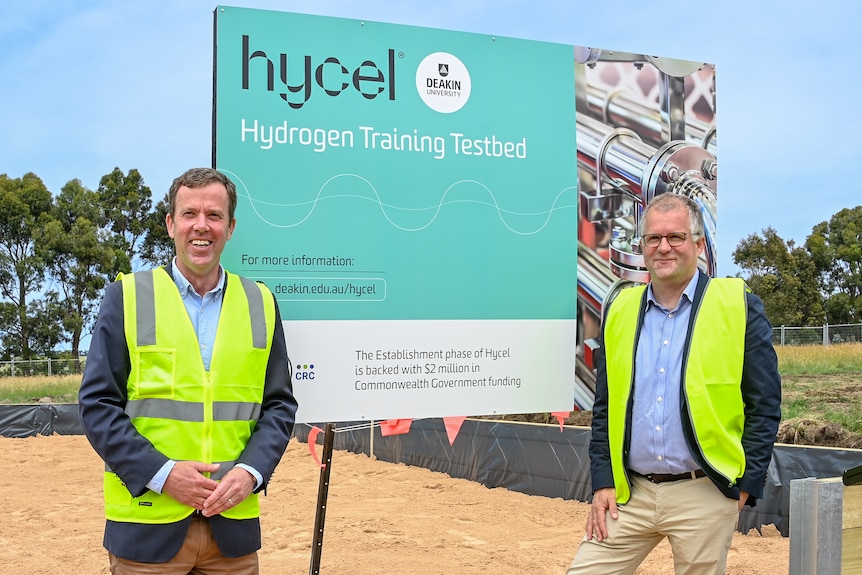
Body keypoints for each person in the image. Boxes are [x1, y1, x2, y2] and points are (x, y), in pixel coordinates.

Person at [79, 167, 298, 574]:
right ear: (170, 224)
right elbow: (97, 405)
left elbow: (279, 407)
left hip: (232, 534)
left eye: (214, 215)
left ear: (231, 227)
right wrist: (161, 474)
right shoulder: (126, 297)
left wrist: (251, 473)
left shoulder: (261, 303)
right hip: (147, 527)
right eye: (190, 214)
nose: (202, 226)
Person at [566, 193, 781, 575]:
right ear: (644, 246)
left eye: (676, 237)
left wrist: (745, 485)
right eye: (653, 239)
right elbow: (606, 408)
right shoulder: (619, 310)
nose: (663, 247)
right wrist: (603, 481)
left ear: (699, 244)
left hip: (704, 492)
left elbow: (764, 403)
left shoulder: (737, 305)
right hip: (630, 494)